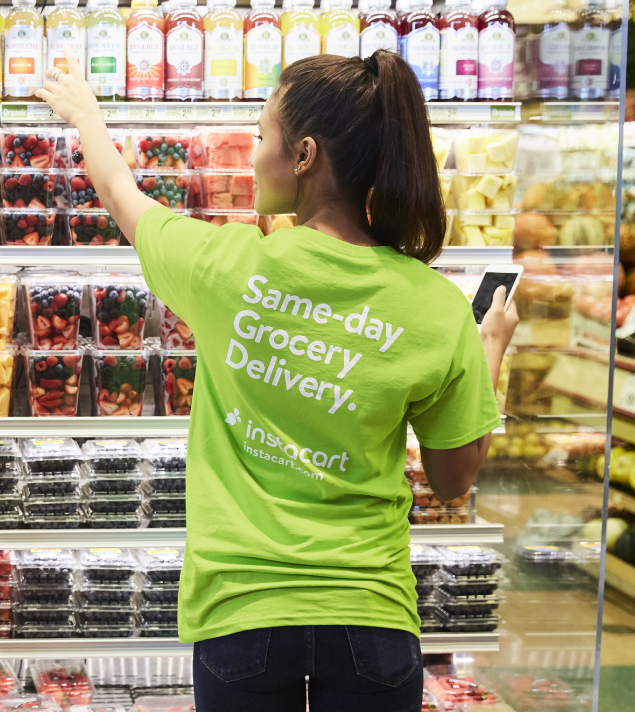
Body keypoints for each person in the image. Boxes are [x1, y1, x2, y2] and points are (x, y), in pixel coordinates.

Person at [37, 49, 520, 711]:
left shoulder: (225, 266)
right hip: (372, 615)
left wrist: (87, 116)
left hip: (242, 615)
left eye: (262, 135)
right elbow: (452, 479)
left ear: (305, 156)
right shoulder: (436, 306)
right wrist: (490, 346)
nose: (252, 153)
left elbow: (123, 194)